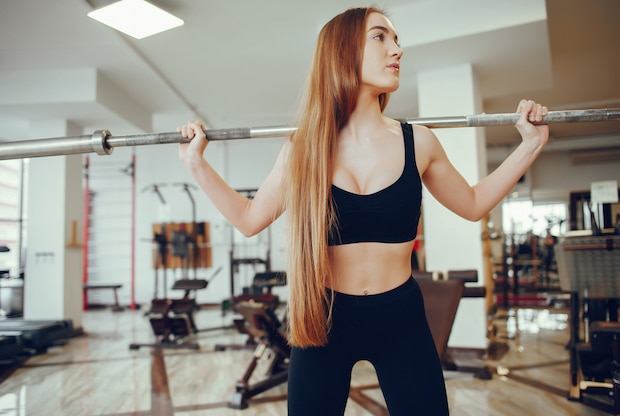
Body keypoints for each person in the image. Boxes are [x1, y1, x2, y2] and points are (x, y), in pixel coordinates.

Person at [178, 7, 549, 415]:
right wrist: (196, 163)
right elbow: (249, 219)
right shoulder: (303, 149)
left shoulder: (418, 142)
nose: (398, 49)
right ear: (343, 52)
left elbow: (474, 204)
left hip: (400, 318)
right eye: (381, 37)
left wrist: (529, 145)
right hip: (324, 318)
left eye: (396, 39)